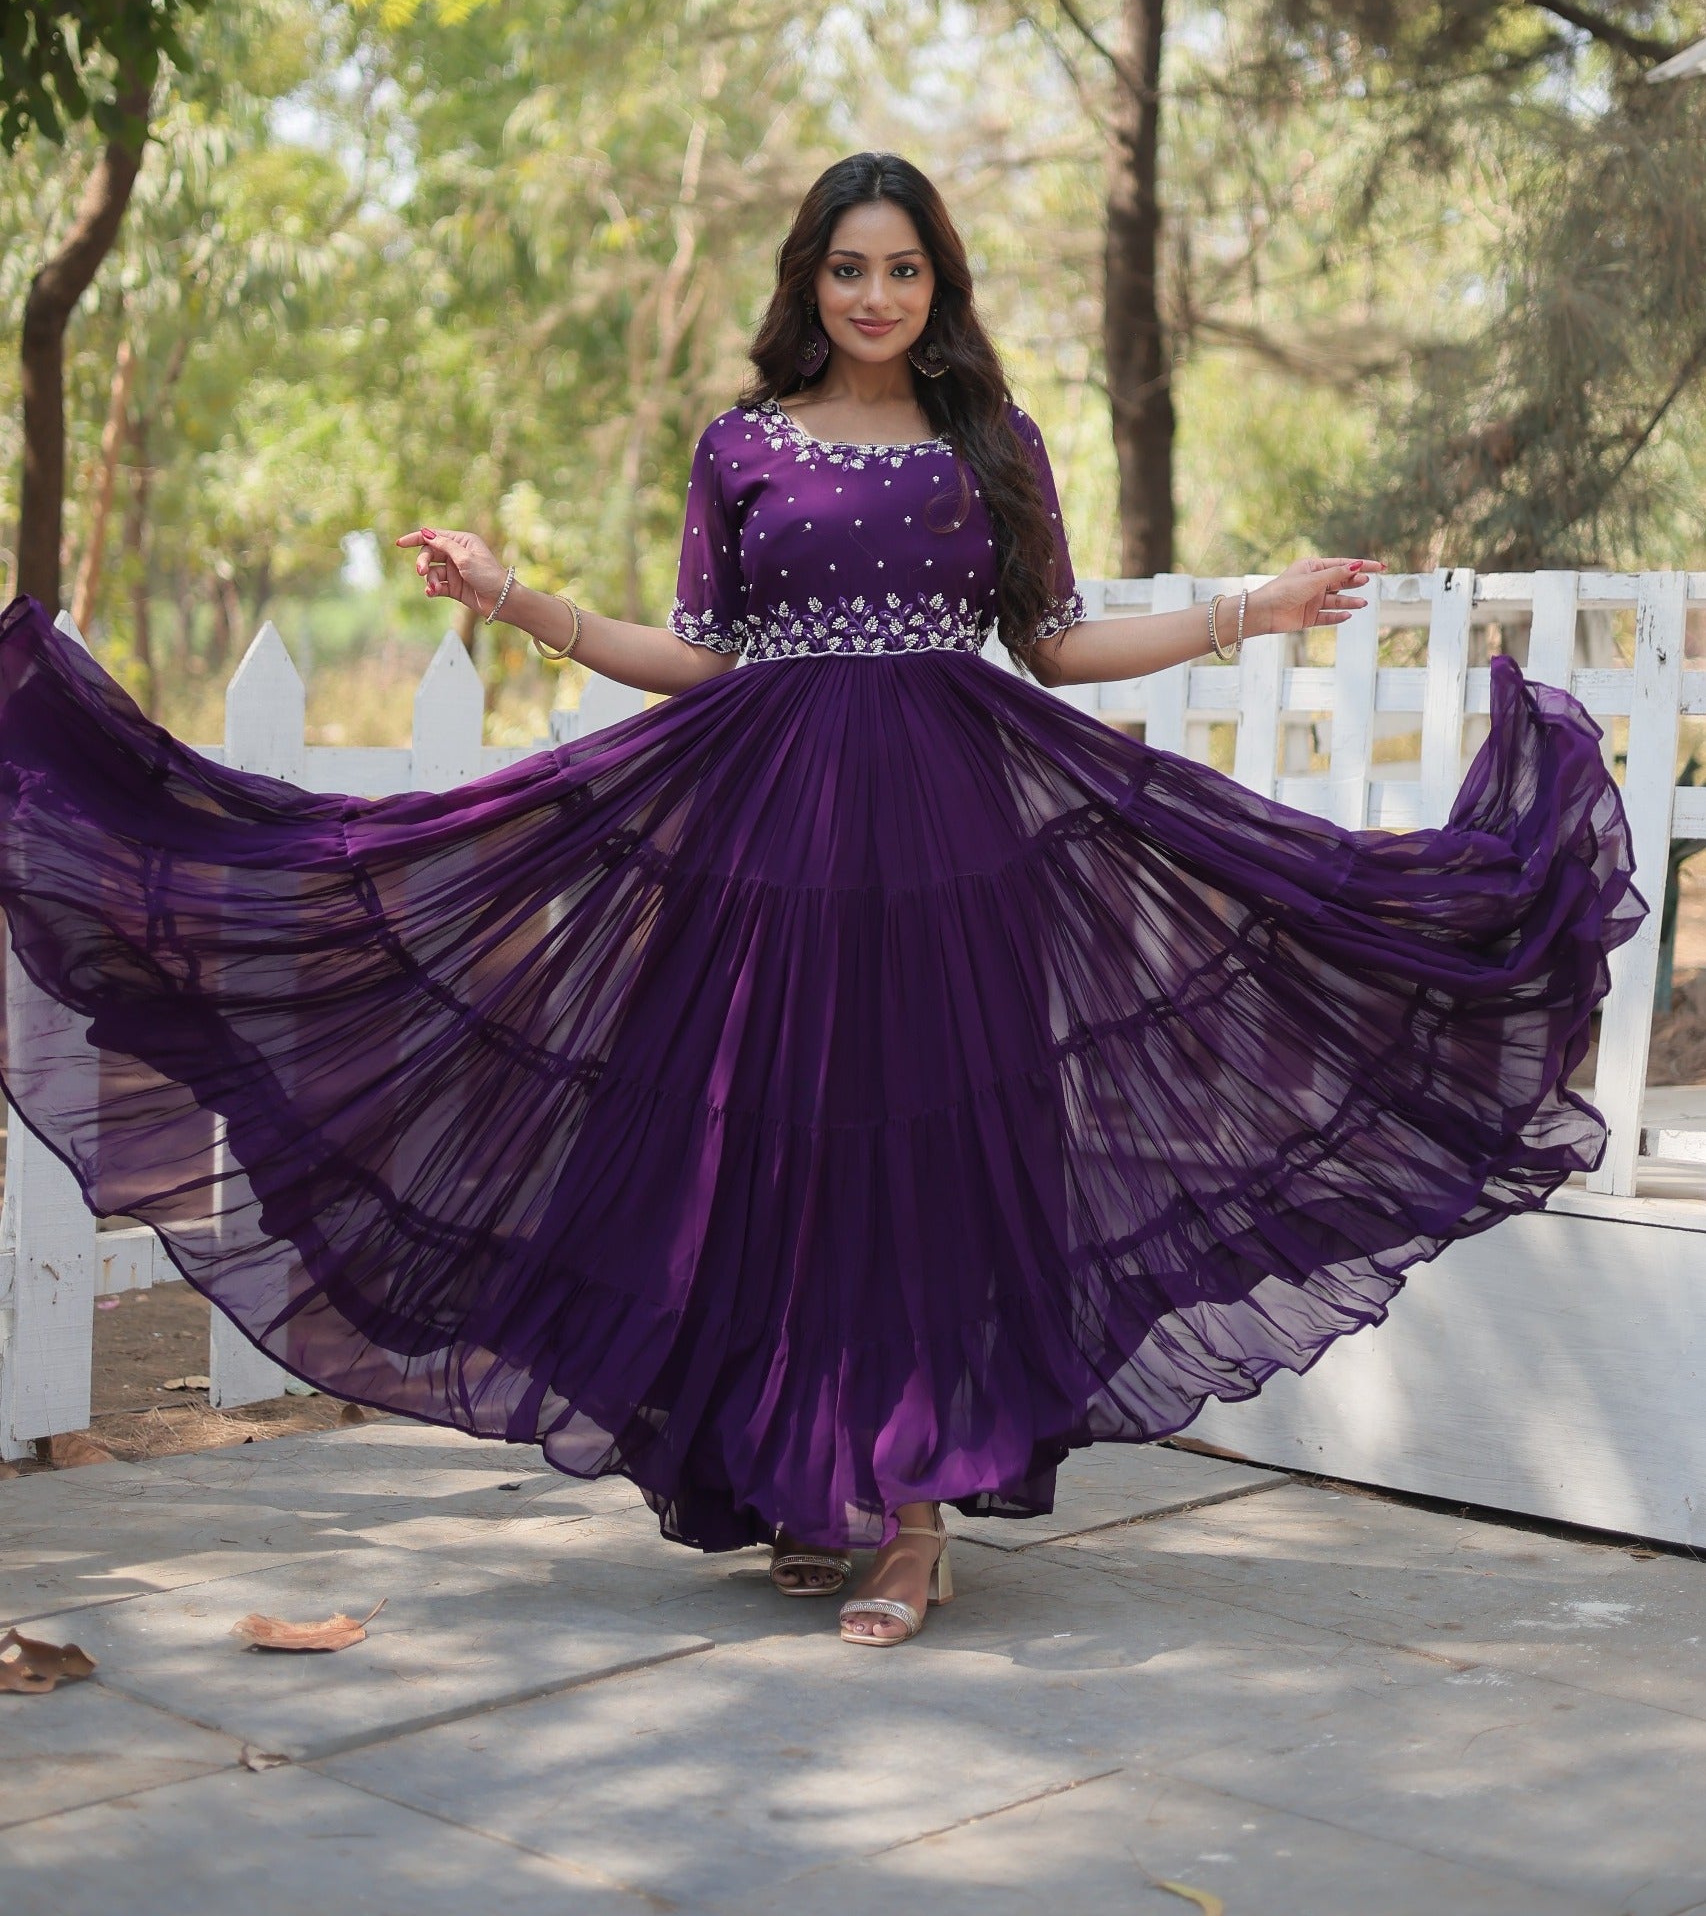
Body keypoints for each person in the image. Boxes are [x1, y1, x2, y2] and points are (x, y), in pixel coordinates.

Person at [0, 152, 1636, 1651]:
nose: (874, 295)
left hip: (944, 837)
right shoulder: (739, 444)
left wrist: (1245, 612)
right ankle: (799, 1483)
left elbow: (1056, 643)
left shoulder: (991, 445)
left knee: (922, 1155)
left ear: (940, 284)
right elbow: (694, 655)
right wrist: (514, 598)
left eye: (904, 269)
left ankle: (913, 1523)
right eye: (849, 268)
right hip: (764, 834)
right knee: (761, 1151)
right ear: (812, 278)